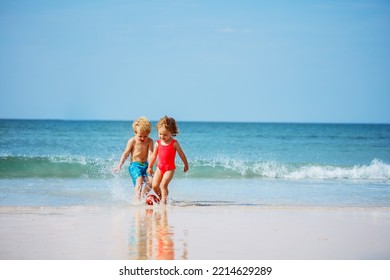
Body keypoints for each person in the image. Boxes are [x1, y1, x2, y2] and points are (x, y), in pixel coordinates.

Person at [147, 116, 189, 204]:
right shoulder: (158, 143)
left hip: (169, 169)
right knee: (154, 186)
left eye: (165, 134)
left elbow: (181, 154)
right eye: (160, 134)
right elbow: (154, 156)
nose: (162, 136)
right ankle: (161, 197)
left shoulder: (174, 143)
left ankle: (164, 202)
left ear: (172, 132)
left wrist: (186, 164)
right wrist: (150, 167)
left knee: (163, 184)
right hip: (159, 168)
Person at [113, 116, 154, 201]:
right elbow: (126, 154)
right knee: (139, 182)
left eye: (145, 136)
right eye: (140, 136)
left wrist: (150, 167)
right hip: (135, 166)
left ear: (148, 134)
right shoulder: (132, 141)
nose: (143, 138)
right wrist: (119, 166)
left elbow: (150, 154)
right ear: (135, 132)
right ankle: (136, 200)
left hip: (146, 165)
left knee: (151, 183)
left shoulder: (150, 141)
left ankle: (142, 198)